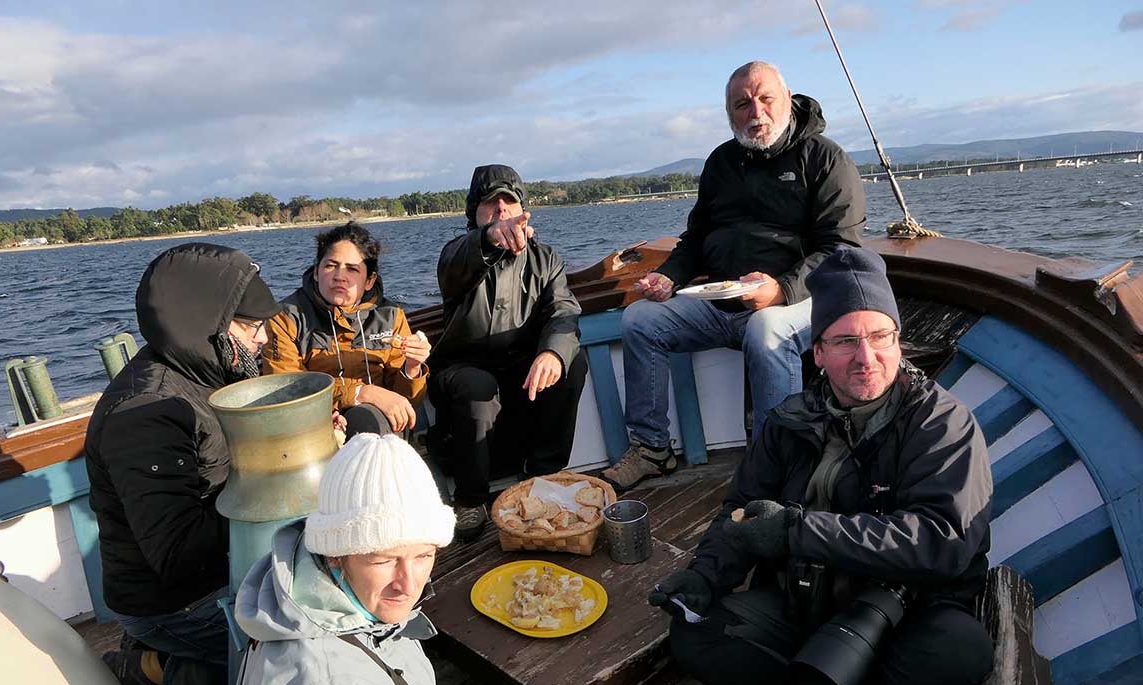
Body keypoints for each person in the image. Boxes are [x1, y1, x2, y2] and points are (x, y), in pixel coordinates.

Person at [649, 247, 994, 685]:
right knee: (694, 635)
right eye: (846, 341)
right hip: (807, 606)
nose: (867, 357)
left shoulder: (941, 424)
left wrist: (797, 531)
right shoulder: (789, 421)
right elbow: (740, 511)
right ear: (818, 353)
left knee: (960, 651)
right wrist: (704, 576)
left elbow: (941, 542)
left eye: (880, 336)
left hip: (902, 621)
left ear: (898, 340)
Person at [232, 433, 570, 685]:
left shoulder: (352, 604)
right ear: (334, 554)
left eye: (424, 555)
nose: (408, 585)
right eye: (383, 560)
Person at [604, 60, 866, 492]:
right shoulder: (721, 162)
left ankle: (772, 464)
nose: (755, 112)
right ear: (730, 113)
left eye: (766, 99)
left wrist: (781, 290)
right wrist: (669, 277)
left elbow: (841, 249)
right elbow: (695, 239)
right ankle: (651, 449)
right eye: (742, 104)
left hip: (803, 300)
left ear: (787, 100)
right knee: (640, 321)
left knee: (766, 329)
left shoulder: (825, 159)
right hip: (723, 301)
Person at [86, 242, 281, 685]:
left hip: (222, 569)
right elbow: (178, 555)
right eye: (250, 327)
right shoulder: (145, 414)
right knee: (295, 655)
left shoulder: (205, 370)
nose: (262, 339)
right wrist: (277, 478)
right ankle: (151, 668)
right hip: (173, 603)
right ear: (208, 324)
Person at [428, 164, 588, 540]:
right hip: (462, 371)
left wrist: (552, 354)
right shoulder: (457, 256)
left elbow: (563, 312)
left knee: (572, 361)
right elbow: (458, 259)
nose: (501, 209)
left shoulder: (546, 259)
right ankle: (470, 499)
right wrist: (488, 238)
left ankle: (544, 477)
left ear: (523, 210)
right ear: (475, 214)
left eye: (509, 201)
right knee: (476, 385)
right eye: (490, 203)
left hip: (520, 371)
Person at [264, 222, 430, 438]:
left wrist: (412, 368)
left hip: (380, 421)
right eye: (330, 265)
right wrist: (361, 393)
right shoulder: (286, 317)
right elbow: (286, 388)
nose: (339, 276)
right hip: (314, 421)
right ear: (316, 272)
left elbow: (405, 400)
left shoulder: (390, 315)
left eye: (352, 269)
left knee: (372, 420)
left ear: (369, 280)